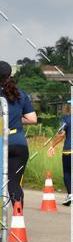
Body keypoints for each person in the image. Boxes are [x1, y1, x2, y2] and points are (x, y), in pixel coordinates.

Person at [0, 60, 37, 206]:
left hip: (2, 143)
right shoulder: (20, 93)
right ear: (10, 75)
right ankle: (18, 221)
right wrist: (14, 117)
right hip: (19, 144)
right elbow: (32, 119)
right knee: (14, 184)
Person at [47, 103, 73, 206]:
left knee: (67, 172)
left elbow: (61, 134)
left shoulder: (66, 118)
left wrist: (52, 145)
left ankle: (70, 195)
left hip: (69, 150)